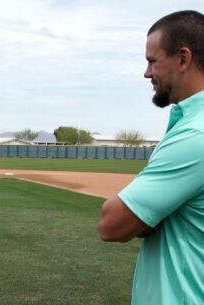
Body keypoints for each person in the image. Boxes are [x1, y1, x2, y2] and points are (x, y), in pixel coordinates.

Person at [98, 10, 204, 305]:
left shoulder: (196, 134)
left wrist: (149, 218)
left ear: (183, 58)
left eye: (152, 60)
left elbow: (112, 223)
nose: (146, 72)